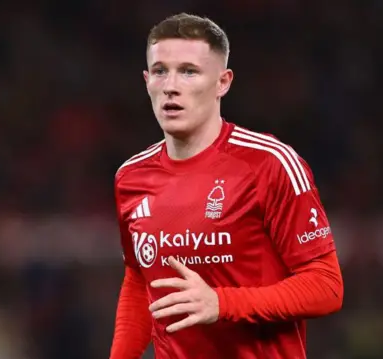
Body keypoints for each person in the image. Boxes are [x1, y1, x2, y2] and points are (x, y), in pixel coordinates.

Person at [109, 13, 343, 359]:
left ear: (223, 82)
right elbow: (140, 282)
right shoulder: (130, 177)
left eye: (189, 71)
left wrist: (222, 302)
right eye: (160, 71)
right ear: (147, 80)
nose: (171, 85)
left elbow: (326, 286)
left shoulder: (269, 164)